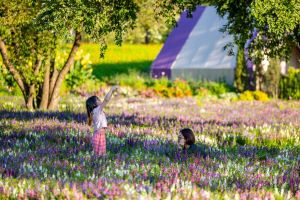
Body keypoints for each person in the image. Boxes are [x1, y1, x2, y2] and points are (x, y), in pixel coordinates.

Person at [86, 86, 118, 156]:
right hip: (99, 135)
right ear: (94, 103)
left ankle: (97, 166)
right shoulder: (97, 110)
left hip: (99, 135)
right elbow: (106, 100)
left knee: (99, 155)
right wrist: (111, 90)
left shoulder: (94, 112)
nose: (100, 100)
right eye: (98, 100)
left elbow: (97, 124)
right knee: (100, 155)